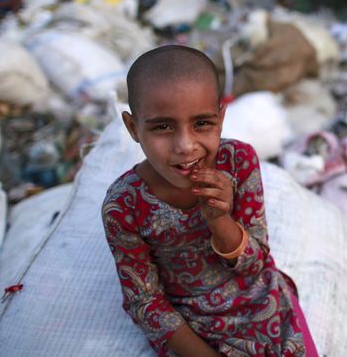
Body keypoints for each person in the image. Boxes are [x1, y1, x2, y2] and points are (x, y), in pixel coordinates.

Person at [101, 45, 316, 357]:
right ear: (133, 128)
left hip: (258, 299)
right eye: (162, 127)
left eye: (202, 123)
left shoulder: (238, 162)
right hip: (192, 322)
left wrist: (220, 220)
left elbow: (257, 262)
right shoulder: (124, 206)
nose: (186, 146)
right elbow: (145, 302)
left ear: (221, 117)